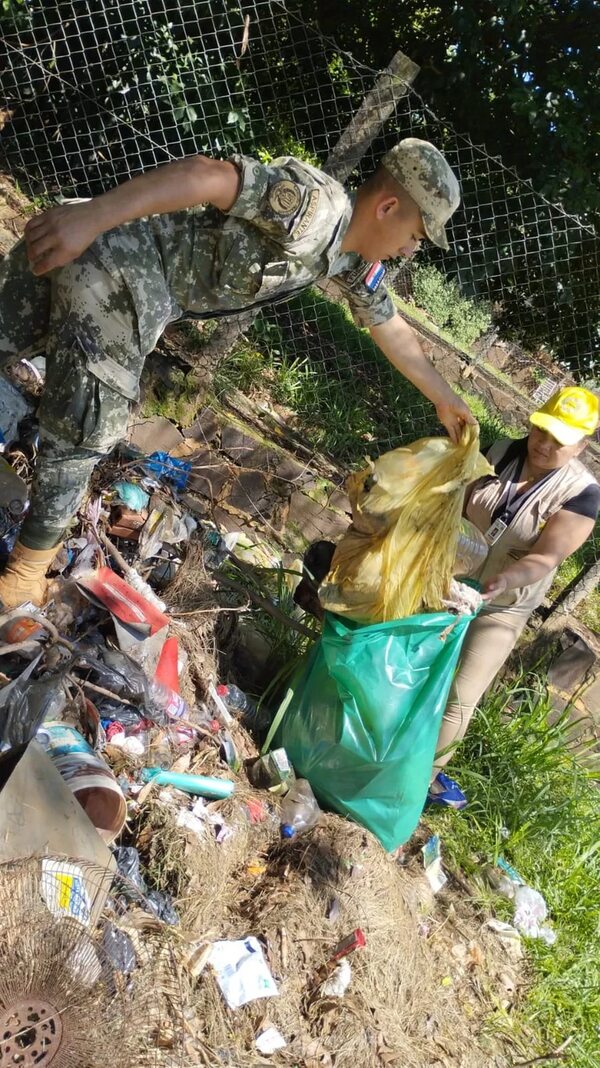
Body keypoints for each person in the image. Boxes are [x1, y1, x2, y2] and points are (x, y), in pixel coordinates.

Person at [0, 137, 475, 608]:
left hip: (100, 251)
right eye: (416, 236)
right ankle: (23, 577)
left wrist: (445, 399)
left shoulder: (350, 255)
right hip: (115, 270)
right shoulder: (316, 210)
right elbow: (205, 175)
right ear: (388, 207)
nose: (410, 250)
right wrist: (91, 217)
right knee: (86, 429)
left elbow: (387, 323)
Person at [428, 385, 600, 808]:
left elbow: (547, 557)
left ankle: (420, 779)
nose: (543, 444)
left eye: (559, 440)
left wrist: (504, 581)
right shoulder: (503, 451)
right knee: (411, 665)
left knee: (460, 696)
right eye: (541, 431)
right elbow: (457, 504)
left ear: (582, 445)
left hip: (503, 605)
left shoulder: (583, 493)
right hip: (448, 580)